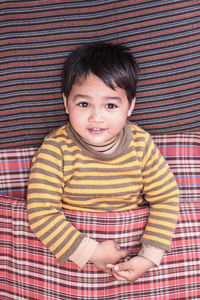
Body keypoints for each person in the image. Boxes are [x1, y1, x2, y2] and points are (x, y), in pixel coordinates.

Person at [27, 41, 179, 284]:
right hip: (76, 265)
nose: (96, 117)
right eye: (84, 104)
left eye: (110, 105)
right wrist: (93, 252)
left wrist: (149, 256)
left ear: (130, 107)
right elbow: (40, 211)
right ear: (66, 103)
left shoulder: (140, 144)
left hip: (132, 256)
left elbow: (167, 198)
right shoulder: (56, 149)